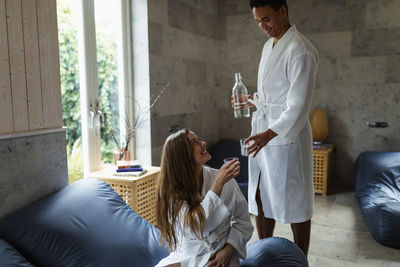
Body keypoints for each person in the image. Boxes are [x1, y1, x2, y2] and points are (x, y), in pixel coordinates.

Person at [240, 0, 319, 256]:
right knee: (262, 192)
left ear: (283, 11)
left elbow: (297, 106)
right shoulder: (269, 46)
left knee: (297, 200)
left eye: (266, 19)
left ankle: (301, 258)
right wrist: (251, 100)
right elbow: (273, 95)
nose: (263, 26)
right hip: (265, 131)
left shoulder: (300, 50)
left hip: (288, 137)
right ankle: (265, 252)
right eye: (258, 21)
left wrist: (269, 134)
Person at [155, 129, 254, 267]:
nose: (203, 143)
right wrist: (217, 186)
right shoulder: (172, 191)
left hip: (219, 253)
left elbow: (244, 222)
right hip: (188, 253)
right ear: (183, 155)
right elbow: (195, 228)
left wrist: (229, 250)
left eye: (199, 139)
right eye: (195, 142)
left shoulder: (224, 180)